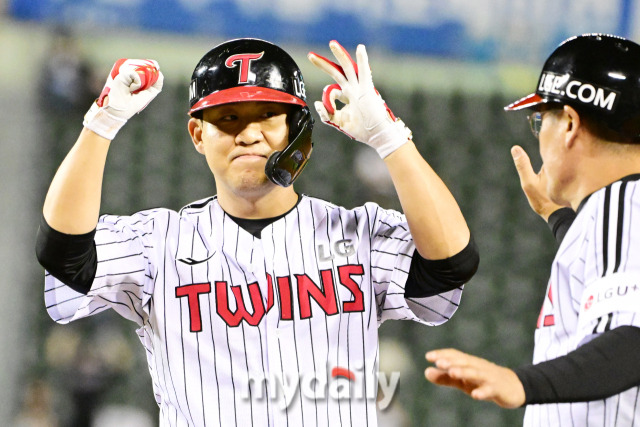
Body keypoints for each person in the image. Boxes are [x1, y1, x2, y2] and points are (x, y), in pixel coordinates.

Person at [36, 38, 479, 426]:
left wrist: (389, 138)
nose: (248, 133)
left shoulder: (359, 233)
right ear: (197, 134)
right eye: (227, 118)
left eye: (267, 115)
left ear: (296, 129)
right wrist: (101, 123)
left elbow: (451, 264)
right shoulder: (158, 241)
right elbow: (62, 251)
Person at [424, 33, 640, 426]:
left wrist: (520, 382)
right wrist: (557, 218)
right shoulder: (617, 210)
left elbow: (633, 339)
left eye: (541, 119)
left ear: (570, 124)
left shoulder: (623, 202)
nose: (538, 132)